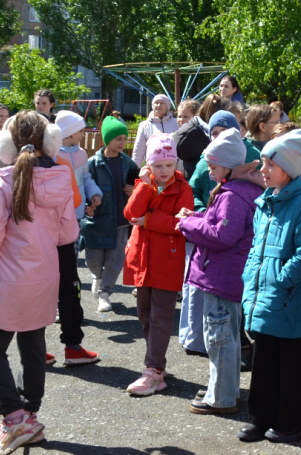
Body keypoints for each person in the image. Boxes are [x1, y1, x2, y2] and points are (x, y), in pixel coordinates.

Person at [0, 111, 79, 455]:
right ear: (51, 141)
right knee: (33, 348)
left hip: (9, 281)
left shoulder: (3, 181)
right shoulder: (61, 177)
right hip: (44, 277)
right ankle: (27, 417)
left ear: (6, 144)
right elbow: (67, 234)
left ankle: (15, 419)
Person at [239, 129, 301, 444]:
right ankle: (261, 417)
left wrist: (282, 279)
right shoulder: (266, 201)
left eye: (269, 165)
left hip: (286, 298)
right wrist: (250, 278)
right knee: (264, 361)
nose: (262, 170)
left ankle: (293, 420)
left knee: (292, 364)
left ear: (287, 168)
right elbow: (255, 247)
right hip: (263, 293)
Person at [178, 127, 263, 414]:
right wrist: (198, 216)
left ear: (228, 165)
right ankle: (221, 388)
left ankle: (223, 396)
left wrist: (188, 224)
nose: (210, 172)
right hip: (226, 277)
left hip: (222, 278)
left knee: (220, 339)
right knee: (225, 337)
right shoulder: (237, 191)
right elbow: (220, 223)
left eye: (213, 167)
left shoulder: (232, 194)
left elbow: (222, 235)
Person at [119, 134, 196, 396]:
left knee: (160, 316)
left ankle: (153, 369)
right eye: (158, 165)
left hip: (167, 261)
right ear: (149, 165)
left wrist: (150, 220)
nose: (164, 171)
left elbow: (181, 223)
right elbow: (131, 214)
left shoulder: (183, 187)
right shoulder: (146, 183)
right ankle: (157, 364)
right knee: (144, 314)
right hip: (142, 259)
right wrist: (144, 184)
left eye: (169, 165)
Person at [49, 110, 101, 366]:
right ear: (69, 133)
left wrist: (94, 194)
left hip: (77, 216)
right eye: (82, 129)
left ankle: (58, 339)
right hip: (59, 219)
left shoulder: (81, 154)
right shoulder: (52, 155)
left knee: (69, 267)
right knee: (64, 275)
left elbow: (85, 177)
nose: (85, 133)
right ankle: (65, 333)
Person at [82, 116, 139, 313]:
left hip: (121, 220)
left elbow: (140, 187)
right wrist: (89, 205)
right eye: (118, 139)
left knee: (115, 261)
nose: (123, 142)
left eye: (124, 138)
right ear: (107, 140)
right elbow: (85, 187)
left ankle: (105, 293)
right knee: (94, 259)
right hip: (98, 219)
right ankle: (98, 278)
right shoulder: (93, 163)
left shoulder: (128, 163)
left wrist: (134, 191)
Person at [132, 93, 179, 167]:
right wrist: (134, 170)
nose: (159, 105)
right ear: (152, 106)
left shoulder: (176, 123)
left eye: (162, 103)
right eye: (156, 103)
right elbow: (138, 150)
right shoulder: (144, 125)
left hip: (174, 166)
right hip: (153, 167)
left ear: (167, 107)